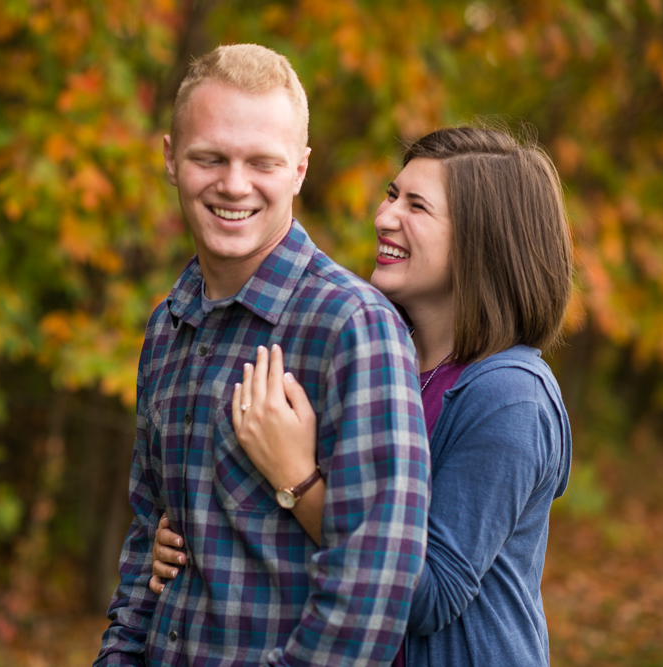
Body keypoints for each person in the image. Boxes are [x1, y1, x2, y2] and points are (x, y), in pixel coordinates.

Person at [151, 126, 574, 667]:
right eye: (392, 194)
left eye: (417, 206)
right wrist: (191, 533)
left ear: (482, 240)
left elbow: (425, 595)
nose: (384, 216)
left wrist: (297, 480)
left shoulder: (509, 397)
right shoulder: (370, 351)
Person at [94, 44, 430, 667]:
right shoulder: (169, 326)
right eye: (210, 158)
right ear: (171, 159)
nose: (234, 184)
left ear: (299, 170)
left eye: (262, 163)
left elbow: (374, 588)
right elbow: (147, 545)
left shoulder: (353, 327)